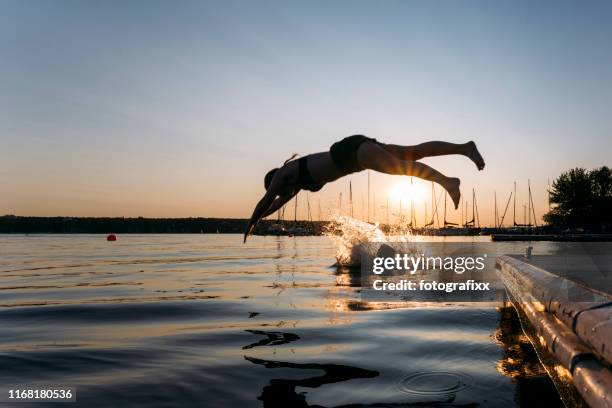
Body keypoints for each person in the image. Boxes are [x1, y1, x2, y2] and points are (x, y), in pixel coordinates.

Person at [244, 135, 484, 241]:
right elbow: (273, 205)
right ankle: (464, 148)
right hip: (357, 153)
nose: (281, 194)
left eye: (278, 189)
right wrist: (261, 220)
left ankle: (448, 182)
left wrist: (251, 223)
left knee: (402, 167)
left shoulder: (287, 172)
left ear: (276, 179)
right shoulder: (295, 185)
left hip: (352, 153)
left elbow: (266, 200)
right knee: (414, 152)